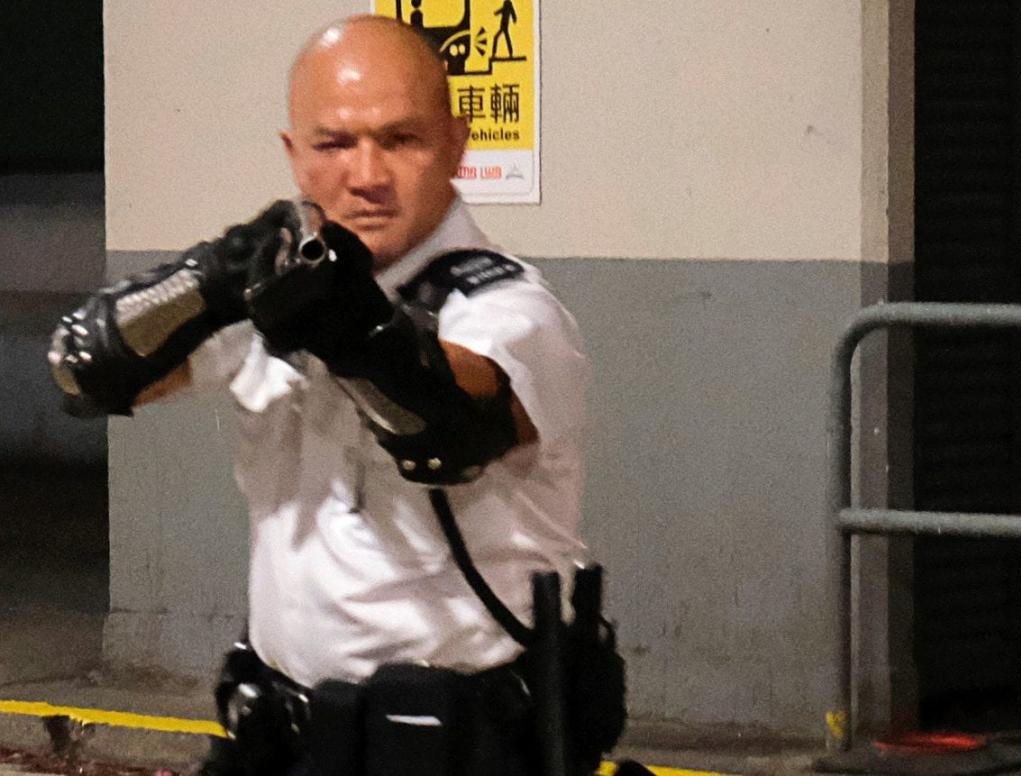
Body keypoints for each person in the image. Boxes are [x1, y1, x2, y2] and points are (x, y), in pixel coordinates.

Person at [48, 15, 623, 775]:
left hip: (455, 752)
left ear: (456, 143)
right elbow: (86, 364)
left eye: (402, 139)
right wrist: (211, 279)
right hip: (280, 741)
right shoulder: (279, 292)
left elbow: (450, 420)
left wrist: (345, 321)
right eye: (335, 144)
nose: (367, 175)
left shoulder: (512, 310)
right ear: (295, 155)